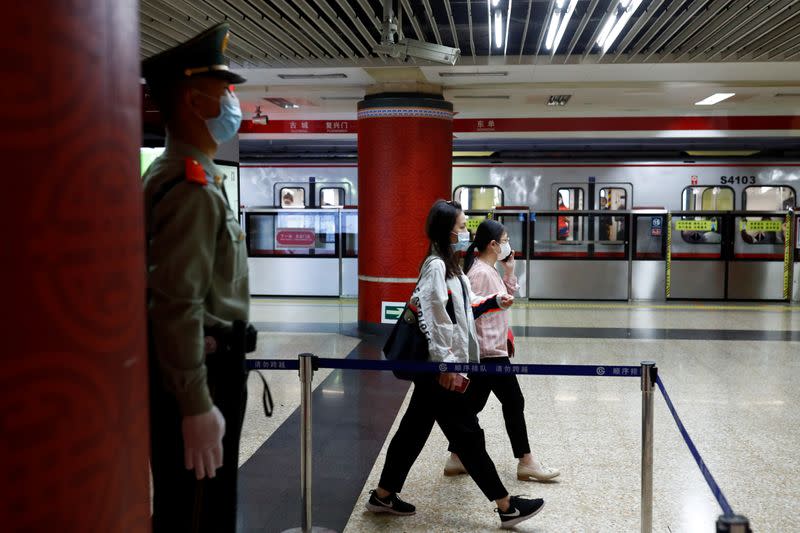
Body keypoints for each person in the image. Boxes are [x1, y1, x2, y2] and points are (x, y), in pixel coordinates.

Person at [365, 200, 545, 529]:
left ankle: (383, 495)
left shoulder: (452, 266)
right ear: (447, 232)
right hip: (439, 370)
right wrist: (446, 366)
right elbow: (435, 320)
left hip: (438, 369)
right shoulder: (436, 266)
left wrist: (492, 300)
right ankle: (506, 506)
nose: (467, 233)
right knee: (468, 435)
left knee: (413, 432)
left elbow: (462, 305)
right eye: (462, 227)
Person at [142, 23, 256, 533]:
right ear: (194, 101)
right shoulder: (189, 187)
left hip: (207, 366)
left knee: (198, 504)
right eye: (224, 91)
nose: (234, 103)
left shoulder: (185, 177)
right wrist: (195, 403)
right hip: (204, 372)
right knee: (198, 512)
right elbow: (176, 302)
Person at [443, 220, 560, 482]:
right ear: (493, 244)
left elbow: (500, 300)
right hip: (490, 352)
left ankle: (456, 457)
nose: (508, 245)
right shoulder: (481, 272)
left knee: (473, 403)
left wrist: (509, 272)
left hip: (491, 349)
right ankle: (526, 461)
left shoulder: (487, 269)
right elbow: (477, 311)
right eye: (505, 239)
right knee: (514, 401)